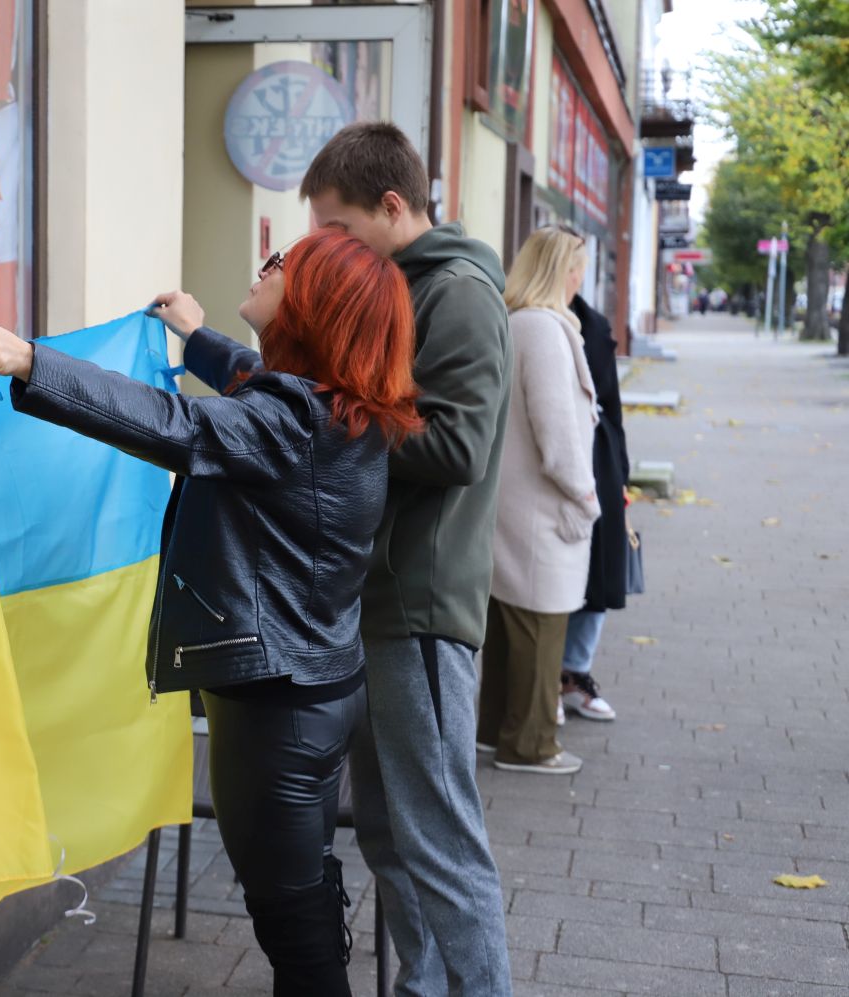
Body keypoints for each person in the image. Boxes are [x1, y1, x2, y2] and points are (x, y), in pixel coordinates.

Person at [0, 231, 422, 996]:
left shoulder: (288, 426)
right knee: (304, 906)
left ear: (315, 308)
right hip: (315, 691)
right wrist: (195, 337)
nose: (266, 265)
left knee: (296, 938)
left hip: (277, 717)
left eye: (285, 265)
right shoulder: (335, 408)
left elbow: (178, 425)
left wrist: (31, 360)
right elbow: (249, 379)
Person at [300, 121, 514, 995]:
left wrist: (339, 416)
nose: (327, 253)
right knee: (390, 834)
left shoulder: (455, 293)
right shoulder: (399, 283)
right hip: (379, 601)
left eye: (338, 231)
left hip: (419, 604)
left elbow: (459, 445)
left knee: (439, 837)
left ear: (394, 206)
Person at [478, 226, 599, 775]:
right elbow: (558, 434)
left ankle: (491, 731)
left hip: (510, 501)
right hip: (543, 507)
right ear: (561, 271)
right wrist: (586, 496)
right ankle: (530, 744)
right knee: (541, 627)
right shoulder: (545, 331)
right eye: (577, 267)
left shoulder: (512, 322)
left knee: (508, 625)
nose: (581, 279)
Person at [561, 290, 629, 722]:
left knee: (602, 570)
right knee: (554, 577)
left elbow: (615, 409)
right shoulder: (533, 321)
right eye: (571, 265)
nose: (577, 276)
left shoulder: (595, 325)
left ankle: (575, 674)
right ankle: (545, 679)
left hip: (599, 459)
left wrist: (621, 474)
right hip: (555, 464)